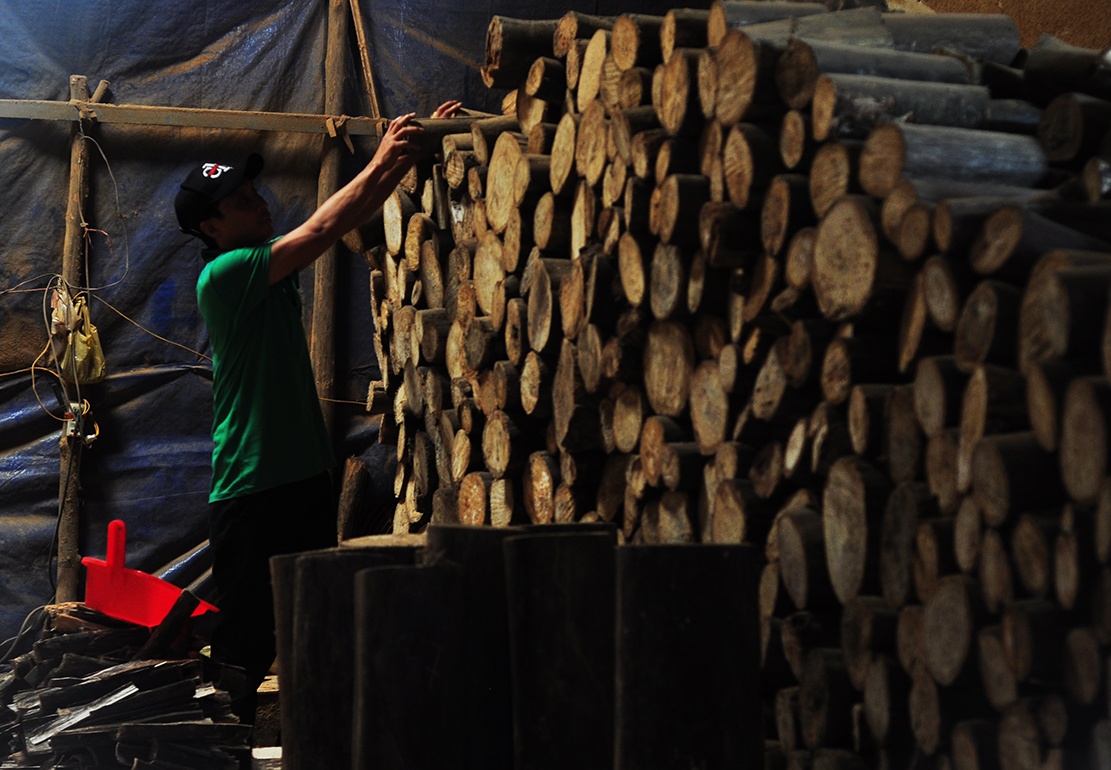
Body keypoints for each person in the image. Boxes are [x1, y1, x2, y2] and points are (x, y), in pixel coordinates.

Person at [173, 100, 462, 726]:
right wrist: (384, 157)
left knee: (306, 621)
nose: (259, 202)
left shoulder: (264, 264)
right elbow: (323, 231)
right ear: (211, 230)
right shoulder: (224, 274)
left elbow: (333, 222)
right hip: (253, 488)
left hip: (298, 477)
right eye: (242, 200)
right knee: (248, 644)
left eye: (254, 190)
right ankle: (224, 751)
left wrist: (399, 156)